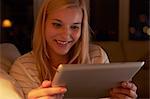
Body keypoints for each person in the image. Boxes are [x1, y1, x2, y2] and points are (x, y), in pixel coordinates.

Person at [9, 0, 138, 98]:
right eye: (57, 24)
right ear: (43, 25)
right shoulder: (23, 68)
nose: (66, 35)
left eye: (75, 27)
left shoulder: (96, 56)